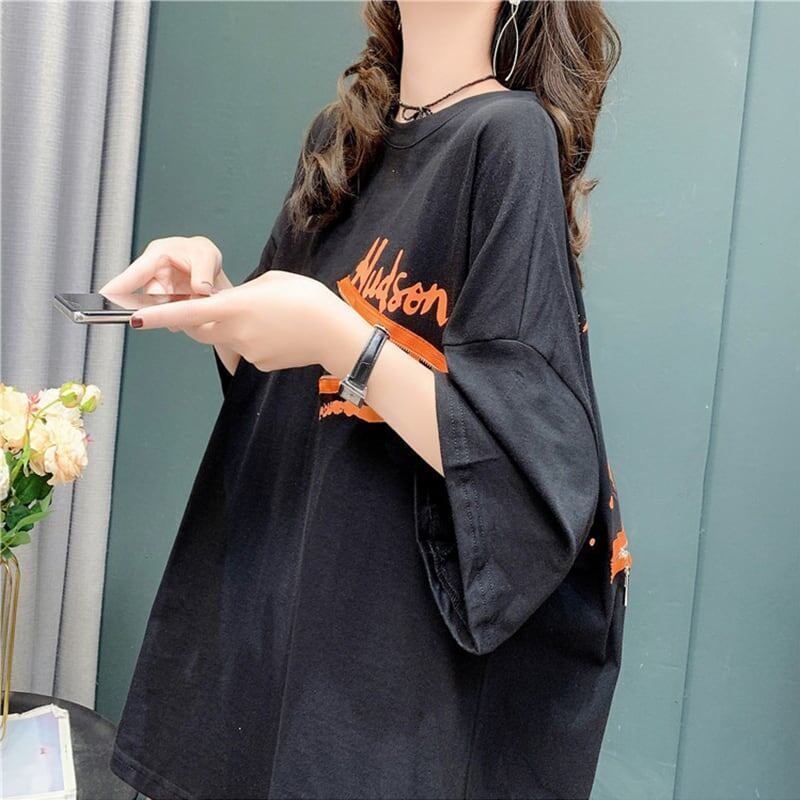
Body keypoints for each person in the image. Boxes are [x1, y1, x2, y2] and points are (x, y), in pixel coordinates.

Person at [103, 1, 631, 798]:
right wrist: (216, 305)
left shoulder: (508, 137)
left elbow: (523, 459)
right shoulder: (343, 140)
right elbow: (282, 396)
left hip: (380, 668)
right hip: (282, 612)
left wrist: (339, 334)